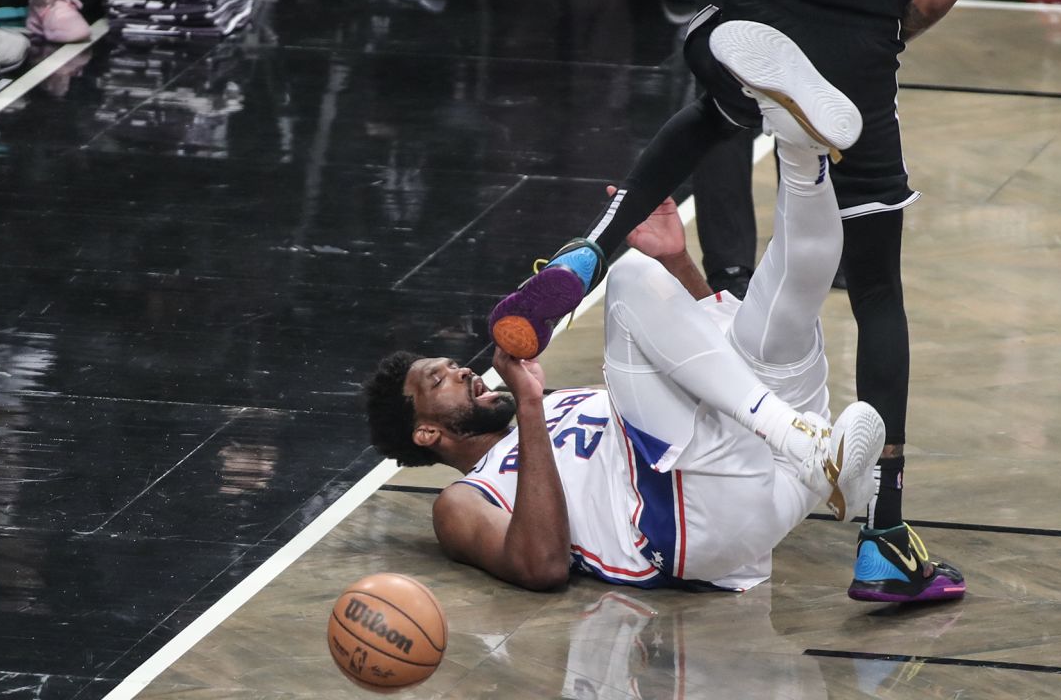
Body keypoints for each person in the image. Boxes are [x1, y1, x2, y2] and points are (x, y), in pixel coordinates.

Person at [369, 43, 964, 599]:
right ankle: (801, 442)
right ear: (427, 432)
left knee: (778, 315)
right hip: (686, 527)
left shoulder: (554, 403)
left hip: (758, 489)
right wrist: (527, 407)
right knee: (626, 280)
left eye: (449, 366)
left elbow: (698, 368)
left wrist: (679, 263)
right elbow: (541, 565)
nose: (461, 370)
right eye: (437, 379)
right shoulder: (460, 502)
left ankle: (799, 145)